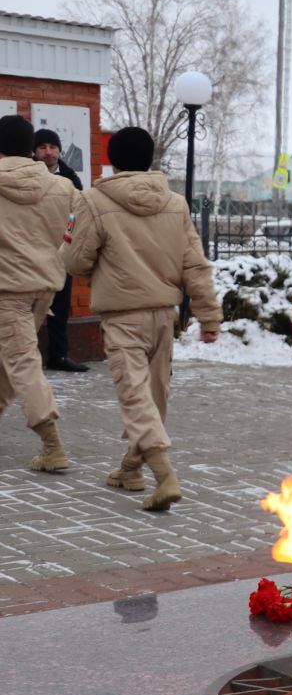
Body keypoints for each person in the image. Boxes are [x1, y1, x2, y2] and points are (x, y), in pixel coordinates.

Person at [62, 126, 221, 509]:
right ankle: (131, 468)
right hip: (164, 317)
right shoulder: (175, 204)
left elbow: (76, 260)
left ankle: (165, 477)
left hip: (122, 317)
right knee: (153, 395)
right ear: (150, 158)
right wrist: (209, 316)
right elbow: (194, 265)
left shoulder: (93, 200)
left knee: (135, 398)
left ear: (111, 159)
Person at [0, 114, 78, 471]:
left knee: (22, 361)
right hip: (44, 289)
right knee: (10, 360)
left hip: (7, 291)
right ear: (31, 148)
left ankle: (53, 445)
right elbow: (84, 230)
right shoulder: (62, 187)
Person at [32, 128, 88, 374]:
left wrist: (68, 237)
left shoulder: (70, 178)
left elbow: (77, 215)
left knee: (61, 305)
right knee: (27, 307)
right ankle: (25, 359)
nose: (48, 152)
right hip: (30, 252)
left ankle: (59, 355)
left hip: (60, 252)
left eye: (52, 147)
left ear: (59, 150)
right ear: (34, 151)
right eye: (42, 147)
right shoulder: (27, 176)